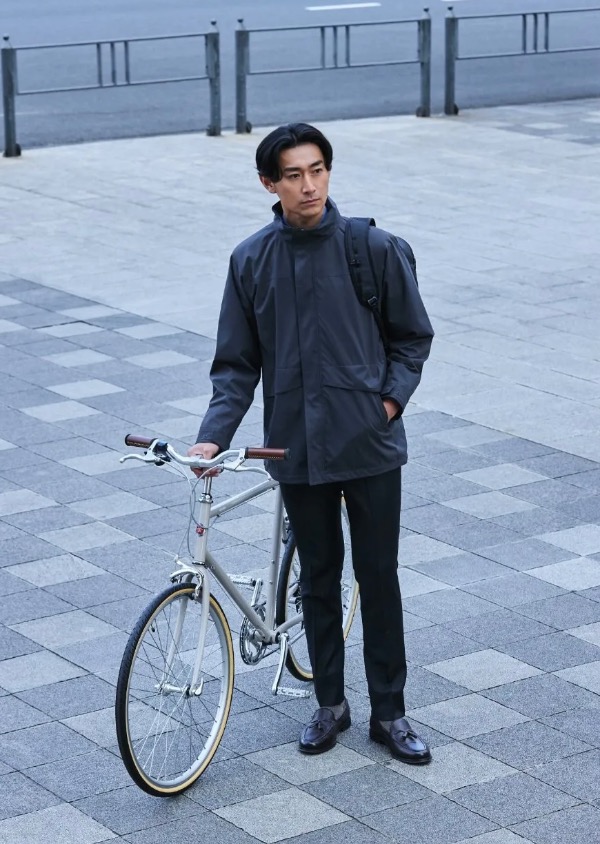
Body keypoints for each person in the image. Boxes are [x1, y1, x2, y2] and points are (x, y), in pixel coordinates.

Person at [189, 122, 434, 764]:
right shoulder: (251, 260)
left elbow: (412, 337)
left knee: (377, 576)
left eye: (318, 170)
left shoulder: (371, 247)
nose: (309, 185)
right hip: (295, 448)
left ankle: (391, 713)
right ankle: (330, 705)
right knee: (317, 580)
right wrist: (213, 439)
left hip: (371, 445)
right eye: (294, 175)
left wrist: (387, 404)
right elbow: (236, 365)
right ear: (269, 183)